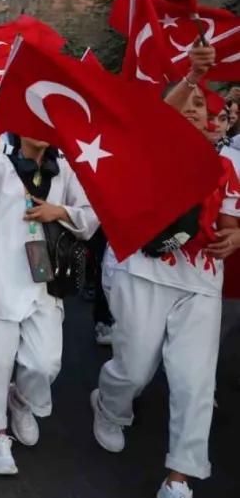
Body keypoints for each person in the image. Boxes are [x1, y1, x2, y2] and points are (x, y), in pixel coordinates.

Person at [92, 47, 240, 498]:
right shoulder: (150, 148)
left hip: (200, 283)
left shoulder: (229, 166)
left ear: (217, 121)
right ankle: (109, 406)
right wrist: (194, 77)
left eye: (203, 107)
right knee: (134, 369)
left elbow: (231, 225)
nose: (194, 110)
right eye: (188, 102)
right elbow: (155, 117)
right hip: (143, 271)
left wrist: (236, 238)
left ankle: (181, 476)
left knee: (195, 381)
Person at [0, 133, 98, 476]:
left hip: (47, 278)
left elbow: (91, 216)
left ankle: (21, 400)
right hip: (3, 275)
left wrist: (57, 211)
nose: (40, 129)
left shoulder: (65, 169)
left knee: (45, 363)